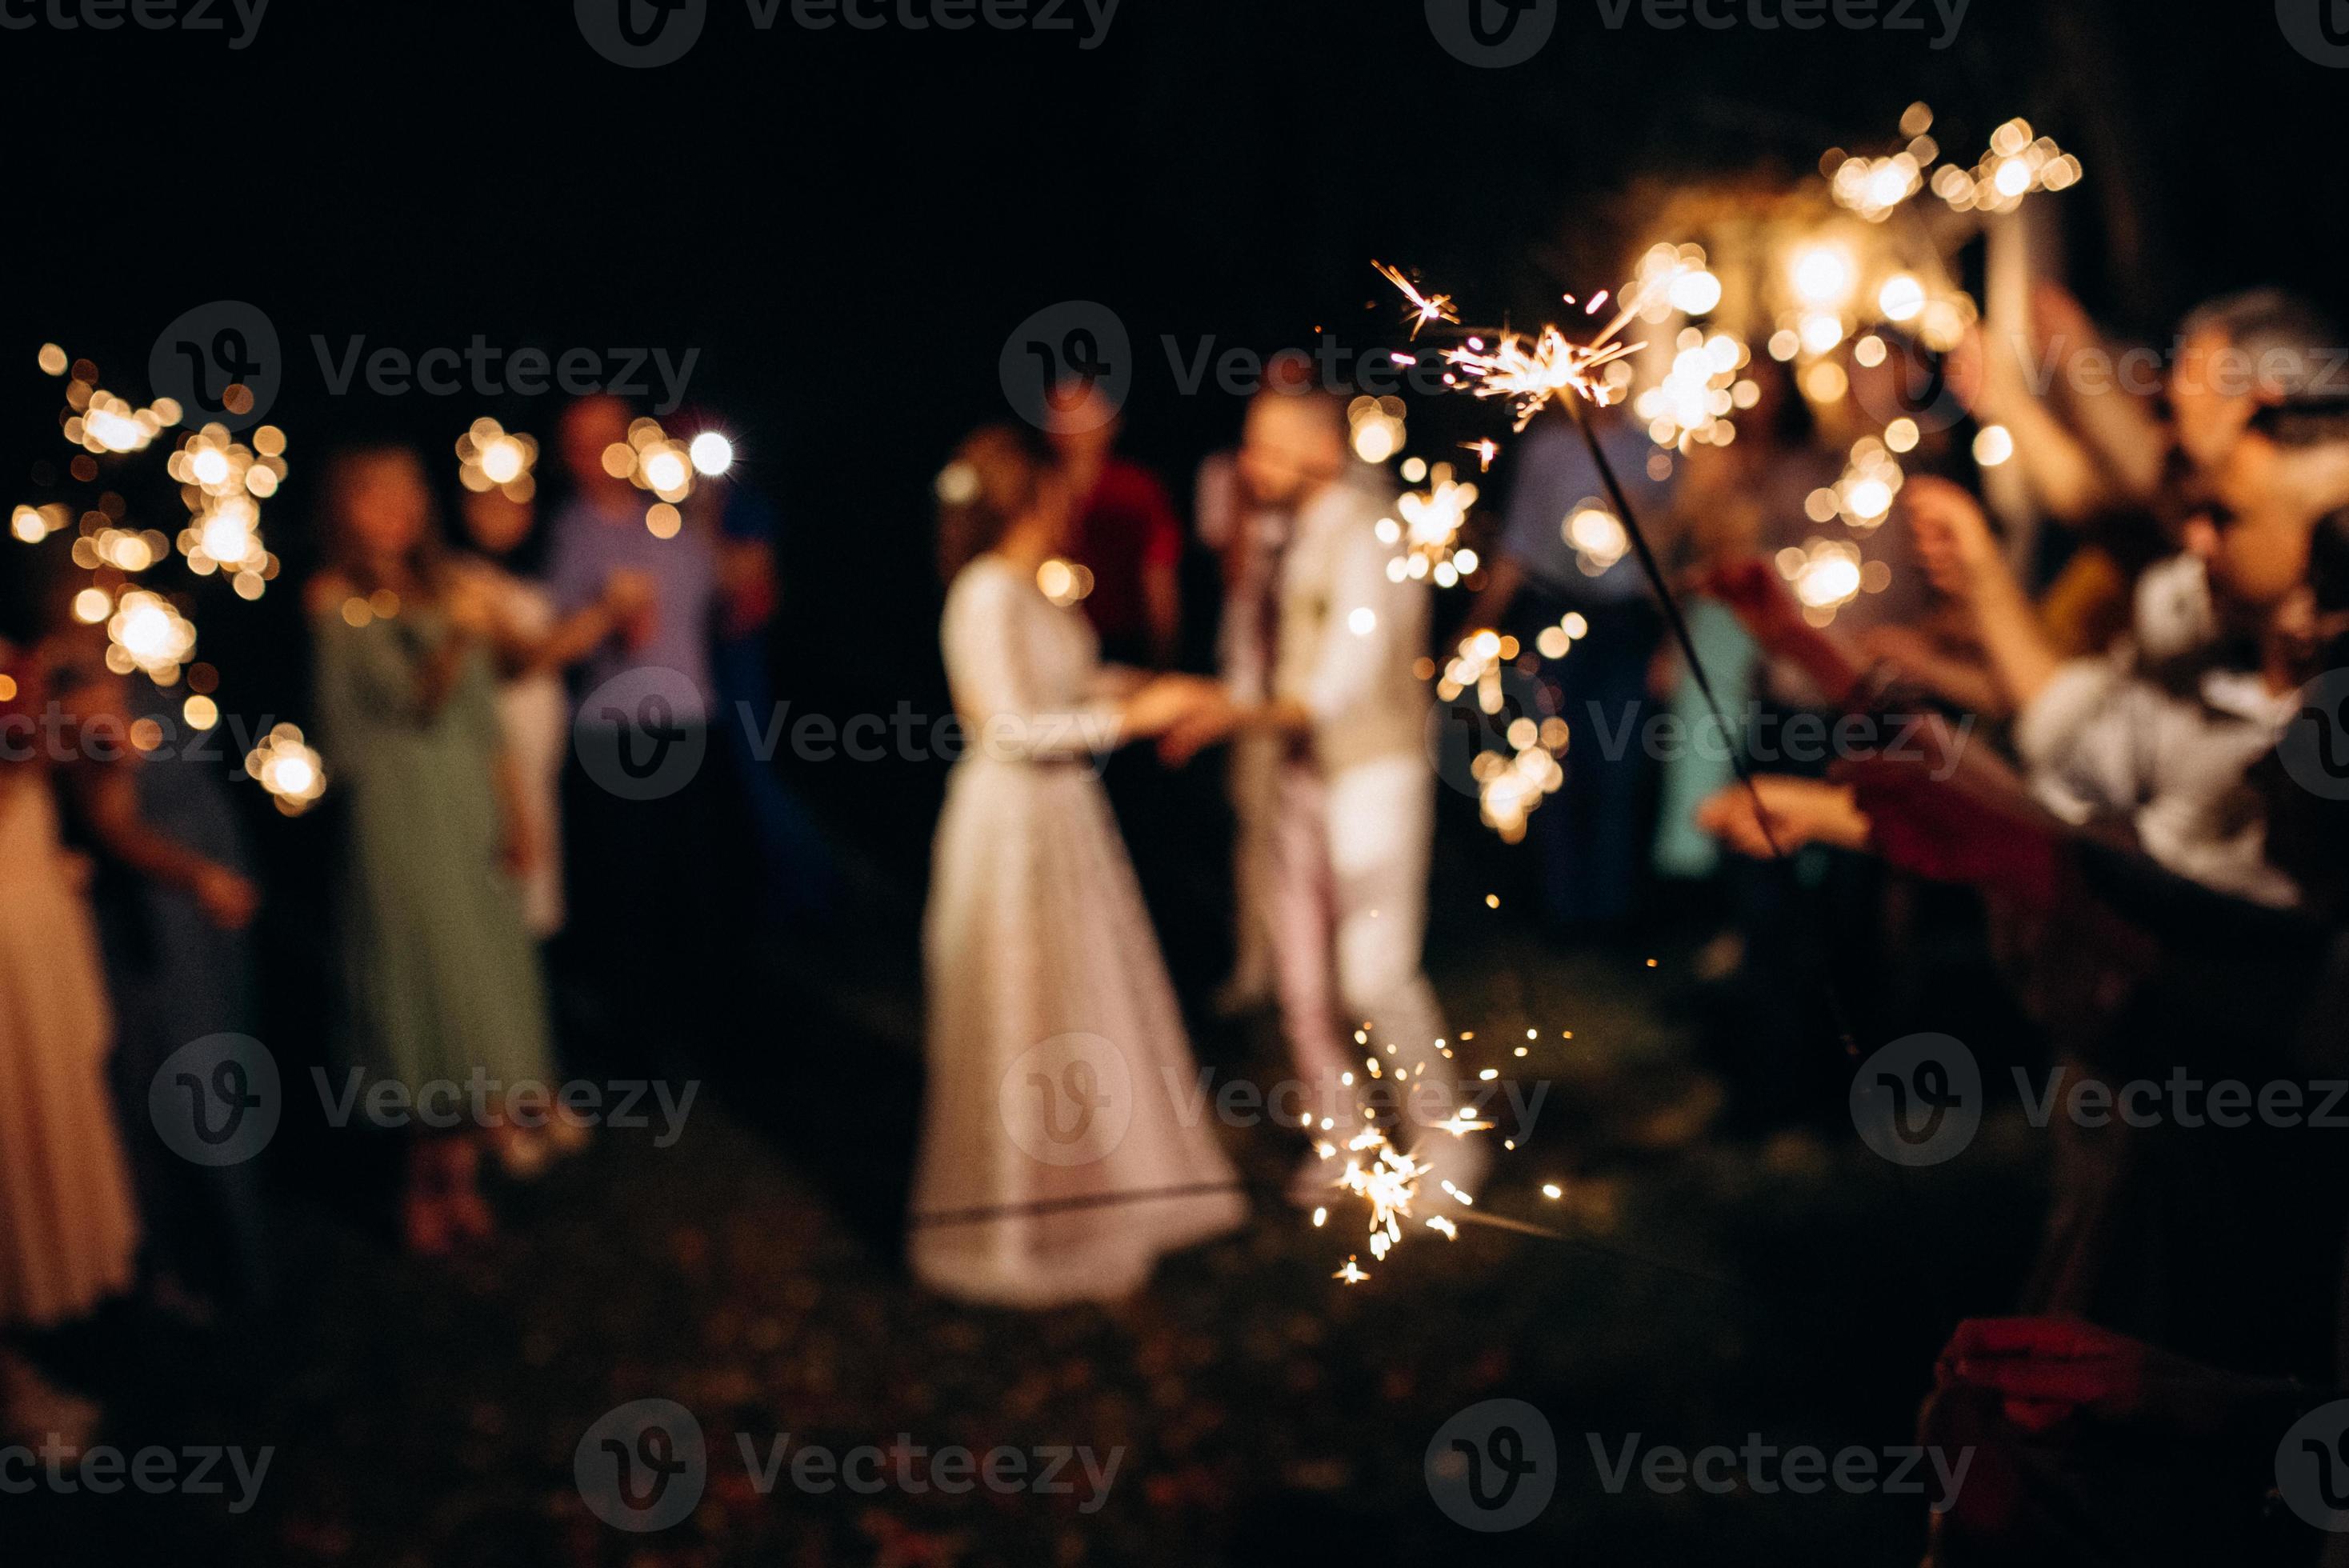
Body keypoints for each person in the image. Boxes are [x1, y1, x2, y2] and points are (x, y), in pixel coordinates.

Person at [908, 426, 1243, 1306]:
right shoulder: (982, 594)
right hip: (1009, 826)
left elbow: (1074, 682)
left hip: (1062, 816)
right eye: (1060, 494)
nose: (1074, 508)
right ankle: (1019, 1225)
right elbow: (1004, 728)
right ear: (1028, 500)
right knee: (1023, 1009)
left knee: (1082, 997)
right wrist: (1130, 722)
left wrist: (1155, 692)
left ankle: (1103, 1188)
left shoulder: (1034, 589)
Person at [1159, 390, 1483, 1205]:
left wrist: (1222, 718)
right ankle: (1344, 1144)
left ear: (1322, 451)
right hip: (1292, 778)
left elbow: (1339, 684)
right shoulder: (1272, 535)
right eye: (1248, 446)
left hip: (1369, 772)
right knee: (1301, 976)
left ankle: (1444, 1145)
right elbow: (1250, 660)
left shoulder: (1369, 536)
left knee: (1371, 974)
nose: (1251, 464)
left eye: (1269, 447)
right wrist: (1203, 698)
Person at [309, 445, 558, 1254]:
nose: (395, 510)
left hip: (464, 804)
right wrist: (458, 632)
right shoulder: (335, 598)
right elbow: (408, 697)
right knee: (420, 980)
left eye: (406, 494)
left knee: (476, 983)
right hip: (397, 809)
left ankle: (459, 1174)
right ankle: (418, 1181)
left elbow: (482, 714)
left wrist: (517, 812)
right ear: (344, 506)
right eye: (374, 494)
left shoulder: (449, 585)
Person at [41, 584, 270, 1313]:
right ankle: (200, 1260)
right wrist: (199, 874)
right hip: (161, 917)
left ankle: (239, 1245)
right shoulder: (75, 701)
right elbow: (115, 826)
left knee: (224, 1060)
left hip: (206, 906)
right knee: (181, 1072)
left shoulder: (140, 680)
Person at [0, 641, 139, 1448]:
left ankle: (41, 1333)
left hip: (38, 929)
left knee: (47, 1123)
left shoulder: (23, 666)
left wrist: (95, 744)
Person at [1049, 382, 1183, 669]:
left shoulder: (1137, 489)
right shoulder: (1034, 492)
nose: (1074, 425)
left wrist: (1164, 649)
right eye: (1062, 412)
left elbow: (1159, 574)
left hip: (1123, 642)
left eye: (1084, 412)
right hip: (1051, 639)